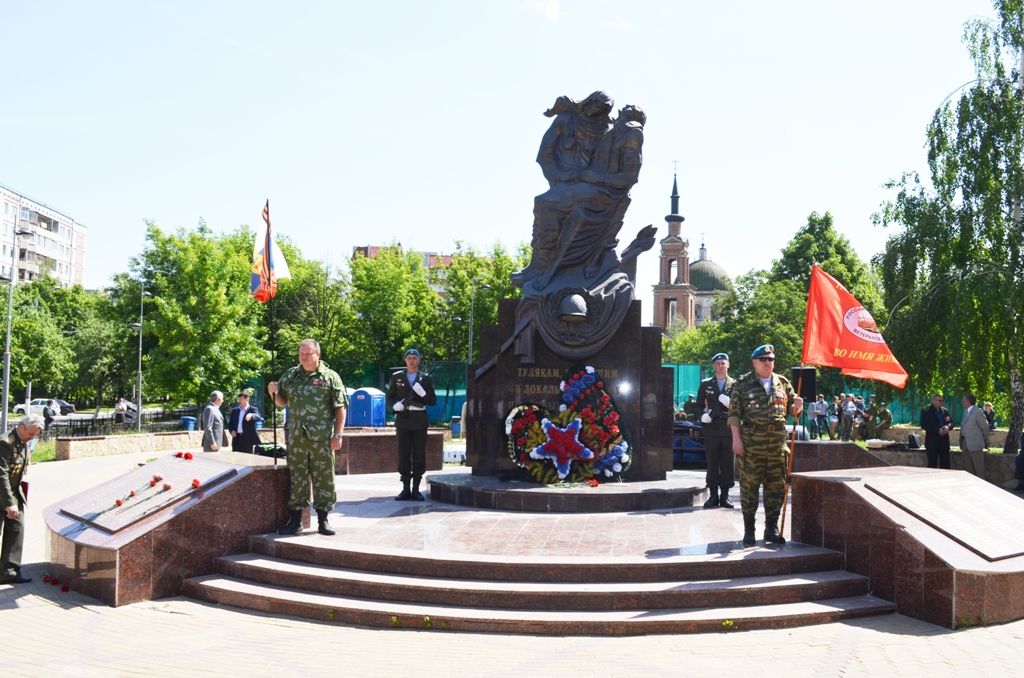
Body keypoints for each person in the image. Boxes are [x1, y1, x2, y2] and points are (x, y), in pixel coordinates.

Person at [268, 339, 347, 536]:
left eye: (308, 354)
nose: (303, 357)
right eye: (301, 354)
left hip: (322, 439)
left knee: (324, 479)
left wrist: (338, 434)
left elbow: (340, 408)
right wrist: (273, 394)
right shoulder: (291, 375)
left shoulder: (330, 377)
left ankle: (323, 520)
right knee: (297, 479)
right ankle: (296, 521)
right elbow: (282, 402)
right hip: (297, 439)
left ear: (317, 354)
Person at [728, 344, 803, 546]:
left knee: (776, 488)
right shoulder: (743, 384)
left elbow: (792, 411)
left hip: (777, 444)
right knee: (749, 488)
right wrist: (736, 439)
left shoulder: (782, 383)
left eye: (771, 359)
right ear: (754, 362)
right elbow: (734, 415)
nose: (768, 363)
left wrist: (797, 407)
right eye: (763, 359)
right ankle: (749, 529)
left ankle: (771, 528)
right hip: (752, 444)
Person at [386, 348, 437, 501]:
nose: (412, 360)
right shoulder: (397, 377)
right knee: (403, 454)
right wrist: (394, 406)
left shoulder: (425, 378)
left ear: (419, 360)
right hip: (403, 419)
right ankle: (405, 489)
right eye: (409, 358)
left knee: (419, 455)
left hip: (419, 420)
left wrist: (423, 394)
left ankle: (416, 489)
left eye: (415, 358)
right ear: (405, 360)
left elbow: (432, 401)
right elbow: (390, 397)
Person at [0, 415, 43, 584]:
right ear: (21, 427)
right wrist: (9, 503)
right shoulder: (5, 442)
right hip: (3, 493)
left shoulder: (23, 440)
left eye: (35, 435)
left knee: (17, 529)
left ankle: (8, 573)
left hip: (14, 492)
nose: (32, 438)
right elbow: (1, 474)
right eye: (31, 434)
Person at [697, 352, 735, 509]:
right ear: (714, 366)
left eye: (723, 363)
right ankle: (713, 495)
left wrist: (730, 404)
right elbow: (698, 405)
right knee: (712, 462)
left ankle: (725, 496)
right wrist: (702, 416)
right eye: (718, 363)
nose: (720, 365)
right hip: (711, 428)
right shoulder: (706, 384)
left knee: (727, 462)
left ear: (728, 365)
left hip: (728, 429)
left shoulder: (735, 384)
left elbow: (742, 407)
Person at [959, 393, 989, 478]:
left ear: (968, 401)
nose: (962, 402)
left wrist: (982, 439)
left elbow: (985, 427)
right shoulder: (965, 412)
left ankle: (981, 484)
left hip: (975, 444)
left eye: (963, 400)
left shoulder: (977, 411)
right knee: (968, 468)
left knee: (979, 468)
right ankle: (971, 483)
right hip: (965, 443)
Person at [920, 394, 953, 469]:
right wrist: (937, 430)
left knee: (945, 466)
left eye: (942, 400)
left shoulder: (945, 411)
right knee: (932, 466)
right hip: (932, 443)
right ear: (933, 401)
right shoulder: (926, 411)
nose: (941, 402)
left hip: (944, 443)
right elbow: (924, 425)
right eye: (939, 400)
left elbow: (951, 422)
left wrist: (948, 427)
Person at [227, 388, 263, 454]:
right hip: (237, 439)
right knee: (236, 458)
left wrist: (251, 415)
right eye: (239, 398)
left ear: (247, 399)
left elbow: (258, 416)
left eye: (242, 398)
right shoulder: (234, 411)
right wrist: (232, 431)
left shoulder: (252, 409)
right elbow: (230, 424)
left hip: (248, 440)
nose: (239, 400)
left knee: (247, 458)